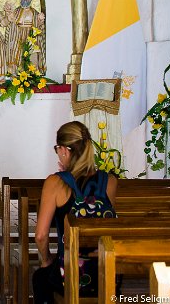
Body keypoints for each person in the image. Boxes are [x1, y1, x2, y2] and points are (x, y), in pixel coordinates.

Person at [32, 121, 118, 303]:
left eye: (57, 149)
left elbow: (40, 235)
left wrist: (46, 261)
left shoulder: (54, 183)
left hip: (70, 273)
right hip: (106, 271)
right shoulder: (109, 181)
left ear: (64, 150)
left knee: (40, 277)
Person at [4, 0, 46, 73]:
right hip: (17, 39)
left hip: (30, 39)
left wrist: (40, 22)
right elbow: (9, 25)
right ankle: (16, 78)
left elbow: (40, 30)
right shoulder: (16, 11)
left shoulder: (35, 13)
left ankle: (31, 78)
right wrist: (8, 14)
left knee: (32, 60)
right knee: (16, 59)